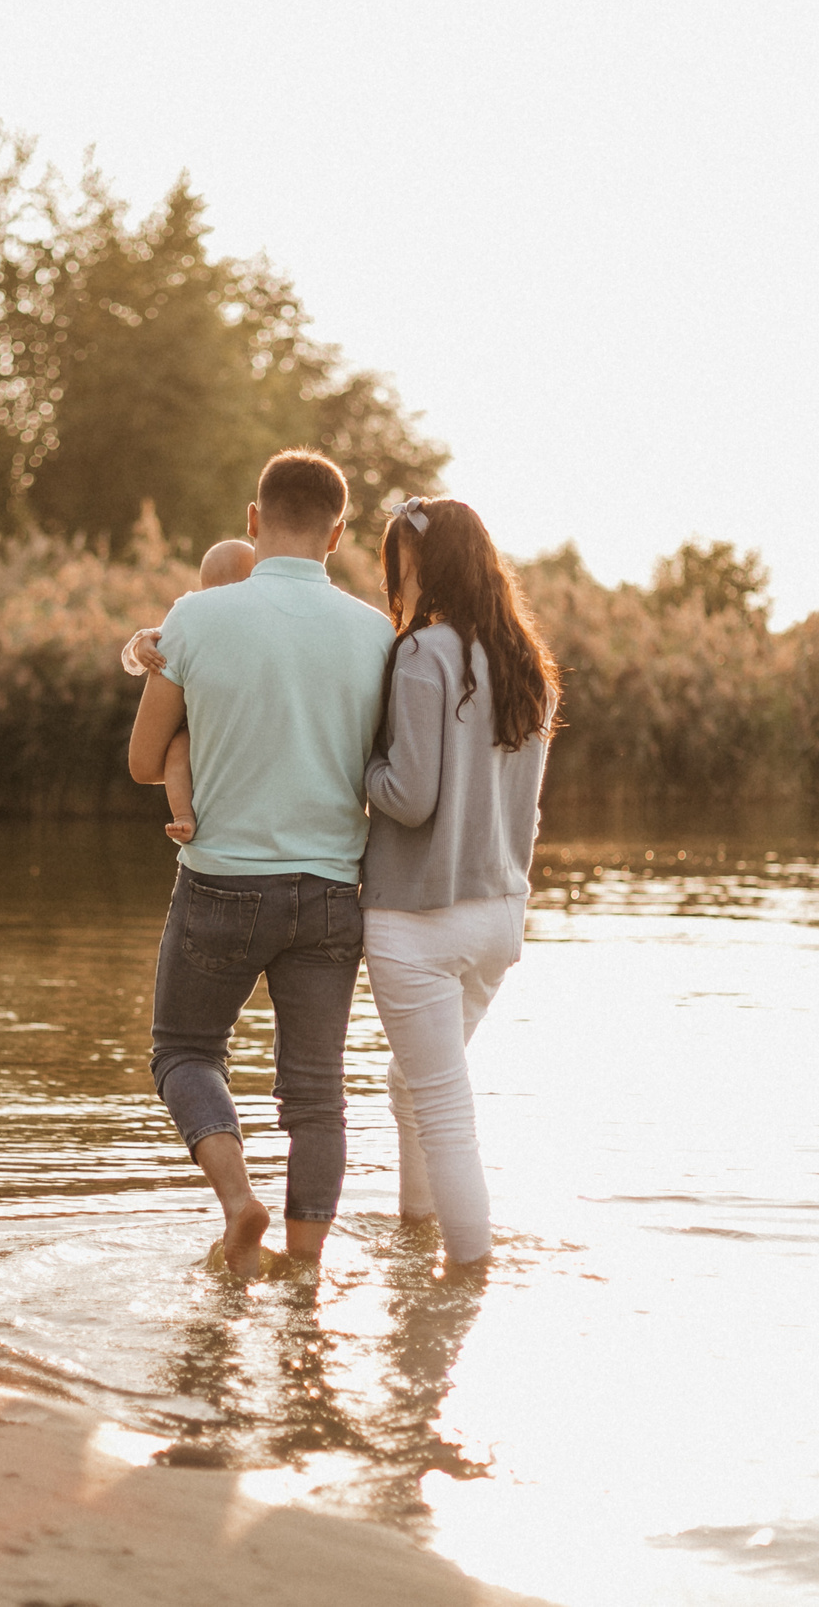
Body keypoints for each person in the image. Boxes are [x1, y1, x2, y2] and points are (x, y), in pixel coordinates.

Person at [126, 455, 395, 1279]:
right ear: (339, 533)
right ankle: (306, 1276)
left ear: (253, 519)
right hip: (328, 893)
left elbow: (143, 761)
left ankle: (240, 1201)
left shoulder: (197, 617)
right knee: (316, 1095)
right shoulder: (376, 634)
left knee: (184, 1050)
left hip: (219, 885)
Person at [359, 496, 559, 1270]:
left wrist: (359, 767)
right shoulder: (527, 667)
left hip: (419, 917)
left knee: (441, 1104)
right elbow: (525, 813)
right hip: (499, 918)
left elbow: (409, 796)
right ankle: (416, 1236)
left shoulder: (422, 655)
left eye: (396, 565)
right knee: (413, 1083)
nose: (393, 580)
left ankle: (466, 1278)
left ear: (420, 564)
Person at [122, 538, 256, 844]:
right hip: (195, 721)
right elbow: (156, 640)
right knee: (179, 748)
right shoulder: (196, 616)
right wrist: (141, 644)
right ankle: (183, 815)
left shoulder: (253, 621)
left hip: (230, 715)